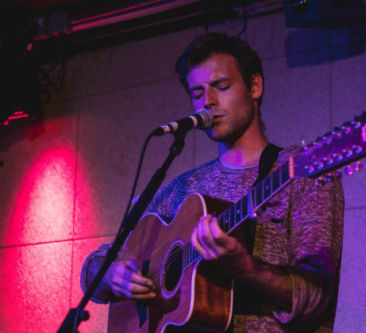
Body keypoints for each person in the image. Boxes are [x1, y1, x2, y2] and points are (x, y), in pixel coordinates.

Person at [81, 33, 344, 332]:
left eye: (221, 86)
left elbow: (317, 297)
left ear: (254, 86)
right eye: (196, 93)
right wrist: (111, 275)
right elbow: (97, 265)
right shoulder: (182, 189)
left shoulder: (299, 171)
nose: (207, 101)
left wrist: (244, 267)